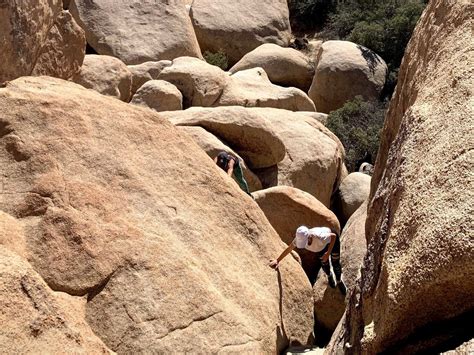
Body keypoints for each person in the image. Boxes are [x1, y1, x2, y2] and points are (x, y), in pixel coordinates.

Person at [269, 225, 346, 295]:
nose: (304, 244)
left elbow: (333, 236)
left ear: (309, 236)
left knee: (335, 262)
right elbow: (289, 249)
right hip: (320, 247)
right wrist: (278, 260)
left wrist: (328, 253)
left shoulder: (319, 236)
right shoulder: (300, 238)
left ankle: (339, 280)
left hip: (331, 241)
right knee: (324, 264)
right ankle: (329, 275)